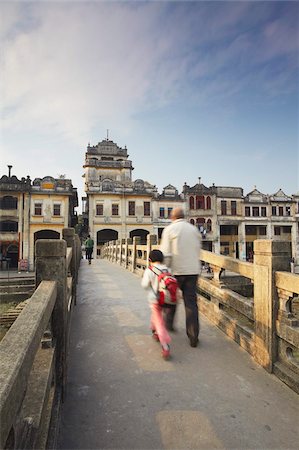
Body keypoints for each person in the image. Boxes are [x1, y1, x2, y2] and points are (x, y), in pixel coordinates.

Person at [160, 207, 201, 347]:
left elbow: (165, 253)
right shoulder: (193, 229)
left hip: (176, 271)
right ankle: (193, 335)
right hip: (192, 270)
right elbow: (197, 249)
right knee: (191, 303)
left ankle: (169, 324)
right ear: (184, 216)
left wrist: (163, 272)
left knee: (171, 298)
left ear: (172, 217)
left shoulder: (169, 230)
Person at [141, 249, 171, 360]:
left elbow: (144, 285)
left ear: (149, 260)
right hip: (167, 299)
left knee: (159, 322)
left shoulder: (149, 270)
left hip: (155, 299)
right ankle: (154, 331)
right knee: (158, 316)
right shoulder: (168, 269)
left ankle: (165, 344)